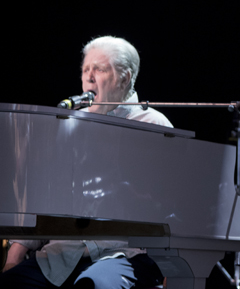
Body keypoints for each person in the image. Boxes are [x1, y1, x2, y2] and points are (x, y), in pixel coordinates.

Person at [0, 36, 170, 288]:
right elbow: (46, 198)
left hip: (124, 254)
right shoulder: (68, 126)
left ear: (124, 78)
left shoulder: (154, 125)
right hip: (60, 255)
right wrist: (14, 255)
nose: (89, 77)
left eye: (99, 69)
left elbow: (170, 207)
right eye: (85, 70)